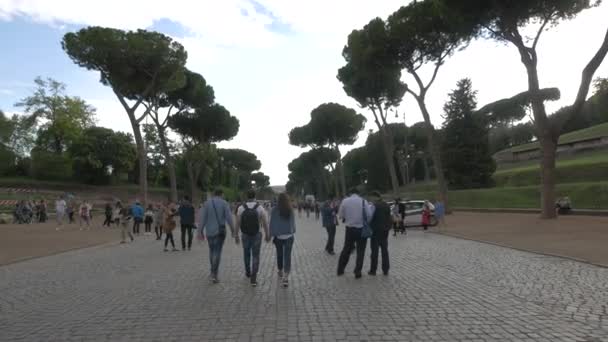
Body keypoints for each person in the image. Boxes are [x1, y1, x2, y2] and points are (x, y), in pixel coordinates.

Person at [199, 189, 236, 283]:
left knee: (211, 251)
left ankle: (212, 271)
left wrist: (200, 231)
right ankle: (214, 274)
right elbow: (229, 218)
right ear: (221, 194)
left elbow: (202, 218)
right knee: (217, 252)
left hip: (209, 232)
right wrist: (233, 230)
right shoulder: (224, 203)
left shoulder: (206, 203)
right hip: (220, 232)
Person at [236, 189, 270, 287]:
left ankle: (248, 272)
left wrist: (236, 235)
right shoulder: (260, 208)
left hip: (245, 234)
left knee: (246, 253)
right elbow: (265, 222)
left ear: (247, 196)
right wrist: (267, 234)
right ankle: (254, 277)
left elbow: (238, 222)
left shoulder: (241, 208)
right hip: (257, 234)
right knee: (256, 255)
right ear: (254, 197)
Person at [337, 188, 373, 279]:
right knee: (361, 251)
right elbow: (369, 215)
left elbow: (340, 215)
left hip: (349, 229)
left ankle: (340, 269)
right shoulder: (363, 201)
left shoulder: (345, 201)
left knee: (346, 249)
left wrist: (347, 217)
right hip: (361, 229)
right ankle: (358, 272)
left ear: (350, 193)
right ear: (358, 193)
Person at [269, 193, 296, 288]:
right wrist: (292, 230)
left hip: (279, 237)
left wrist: (271, 234)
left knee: (279, 254)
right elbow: (293, 223)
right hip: (289, 236)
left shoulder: (274, 210)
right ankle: (285, 277)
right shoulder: (290, 209)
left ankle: (280, 270)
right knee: (287, 256)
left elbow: (272, 223)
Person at [368, 191, 391, 276]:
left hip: (375, 230)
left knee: (374, 250)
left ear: (375, 197)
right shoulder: (386, 205)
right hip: (385, 230)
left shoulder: (374, 206)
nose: (371, 199)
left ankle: (373, 270)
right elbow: (389, 217)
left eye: (371, 197)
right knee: (384, 250)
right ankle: (386, 269)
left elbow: (369, 217)